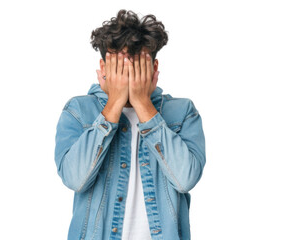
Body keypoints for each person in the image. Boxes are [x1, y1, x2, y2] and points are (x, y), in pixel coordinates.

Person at [54, 9, 206, 240]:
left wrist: (143, 103)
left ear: (154, 70)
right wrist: (114, 102)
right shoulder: (78, 111)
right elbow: (75, 179)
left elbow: (185, 179)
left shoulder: (183, 112)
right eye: (120, 69)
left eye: (137, 69)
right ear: (103, 70)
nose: (128, 78)